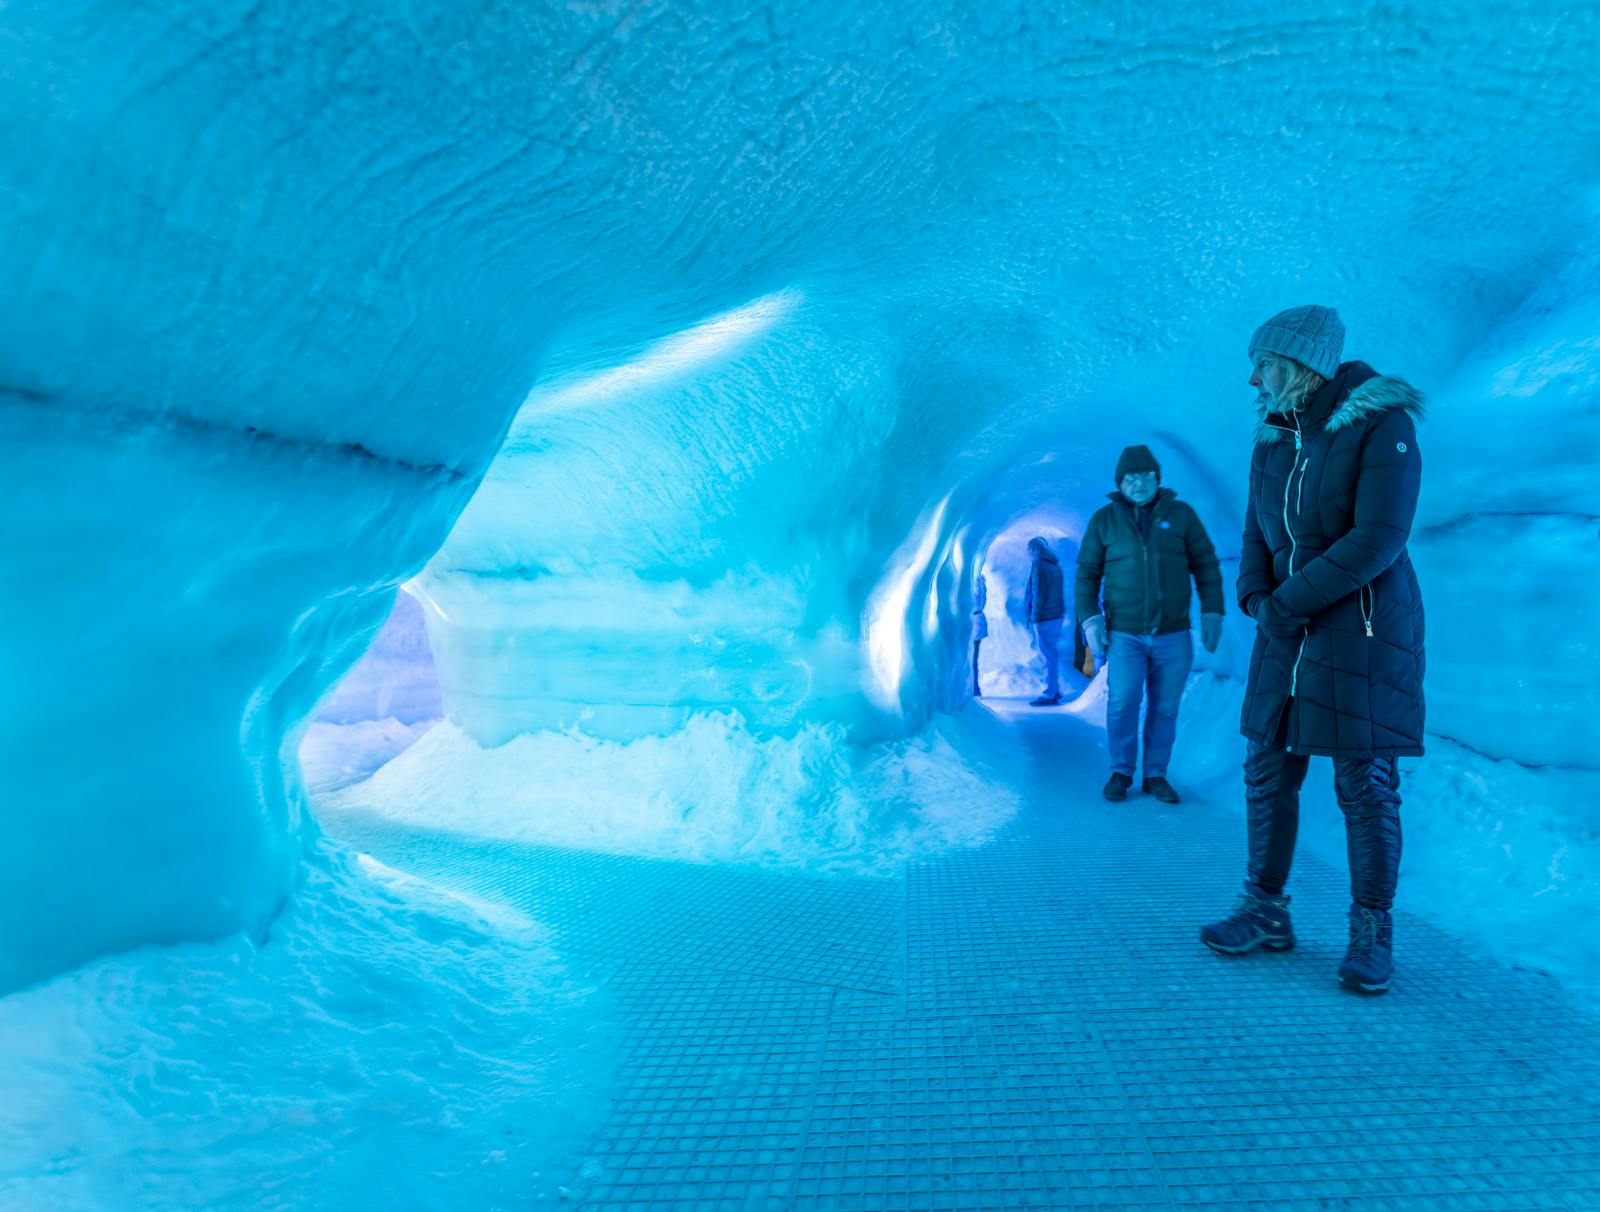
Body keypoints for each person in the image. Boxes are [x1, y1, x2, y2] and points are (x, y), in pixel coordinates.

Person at [1200, 304, 1425, 997]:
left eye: (1263, 362)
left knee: (1364, 783)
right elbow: (1255, 535)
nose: (1253, 379)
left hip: (1360, 631)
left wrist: (1286, 604)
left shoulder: (1379, 425)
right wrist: (1253, 598)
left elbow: (1379, 537)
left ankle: (1371, 931)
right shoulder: (1273, 439)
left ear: (1298, 364)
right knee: (1267, 770)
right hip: (1286, 629)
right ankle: (1265, 909)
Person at [1075, 446, 1224, 804]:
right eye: (1131, 477)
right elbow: (1087, 575)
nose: (1139, 483)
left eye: (1146, 476)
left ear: (1158, 478)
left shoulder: (1182, 515)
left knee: (1166, 705)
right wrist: (1091, 620)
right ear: (1120, 482)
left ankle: (1156, 773)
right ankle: (1121, 771)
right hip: (1125, 633)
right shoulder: (1104, 521)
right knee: (1123, 701)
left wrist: (1212, 611)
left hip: (1173, 633)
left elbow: (1205, 564)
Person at [1022, 537, 1066, 706]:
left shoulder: (1039, 565)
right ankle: (1054, 689)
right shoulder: (1055, 565)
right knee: (1051, 654)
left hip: (1044, 617)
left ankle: (1050, 693)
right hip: (1056, 615)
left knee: (1047, 655)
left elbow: (1038, 592)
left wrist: (1035, 616)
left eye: (1028, 550)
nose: (1027, 553)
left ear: (1034, 549)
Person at [971, 571, 988, 697]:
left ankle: (974, 688)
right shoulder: (981, 584)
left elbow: (974, 603)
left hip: (975, 623)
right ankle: (975, 688)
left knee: (972, 659)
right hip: (979, 622)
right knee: (973, 659)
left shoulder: (977, 585)